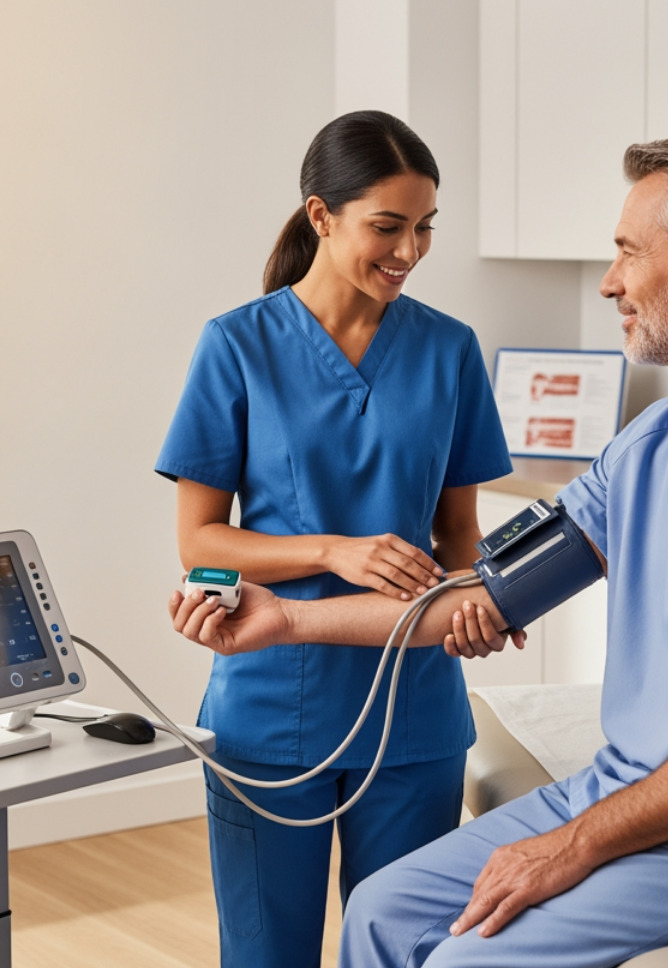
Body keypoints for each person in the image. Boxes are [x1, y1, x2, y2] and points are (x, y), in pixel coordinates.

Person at [170, 134, 668, 968]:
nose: (609, 281)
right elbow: (484, 593)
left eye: (628, 253)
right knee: (383, 909)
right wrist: (285, 619)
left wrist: (572, 846)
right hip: (641, 784)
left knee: (465, 958)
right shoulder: (650, 443)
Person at [155, 110, 514, 968]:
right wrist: (330, 549)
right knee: (265, 955)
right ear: (321, 215)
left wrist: (487, 597)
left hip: (414, 709)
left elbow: (460, 534)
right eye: (387, 227)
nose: (410, 250)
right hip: (271, 708)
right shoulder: (237, 345)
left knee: (405, 950)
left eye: (425, 227)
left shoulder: (450, 350)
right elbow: (199, 541)